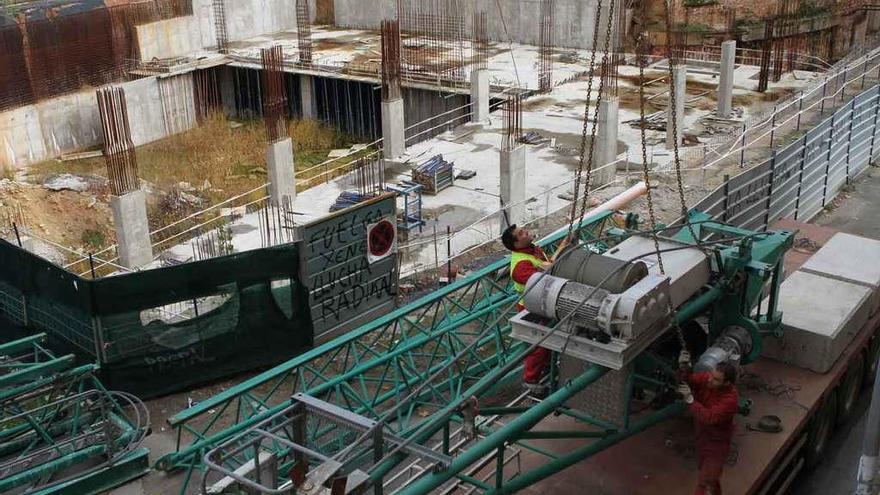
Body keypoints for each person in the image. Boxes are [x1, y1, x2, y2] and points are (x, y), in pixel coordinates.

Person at [501, 224, 571, 395]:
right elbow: (542, 280)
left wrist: (563, 247)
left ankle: (547, 367)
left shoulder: (531, 250)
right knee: (537, 343)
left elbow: (547, 265)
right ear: (516, 244)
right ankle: (531, 381)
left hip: (543, 303)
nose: (526, 231)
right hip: (532, 308)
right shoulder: (520, 266)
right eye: (521, 233)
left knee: (546, 340)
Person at [677, 351, 740, 495]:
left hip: (716, 445)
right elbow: (689, 380)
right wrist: (683, 366)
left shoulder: (730, 400)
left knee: (704, 483)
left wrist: (691, 401)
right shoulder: (709, 379)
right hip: (702, 438)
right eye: (711, 375)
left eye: (716, 379)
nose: (709, 379)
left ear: (727, 383)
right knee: (711, 479)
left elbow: (710, 417)